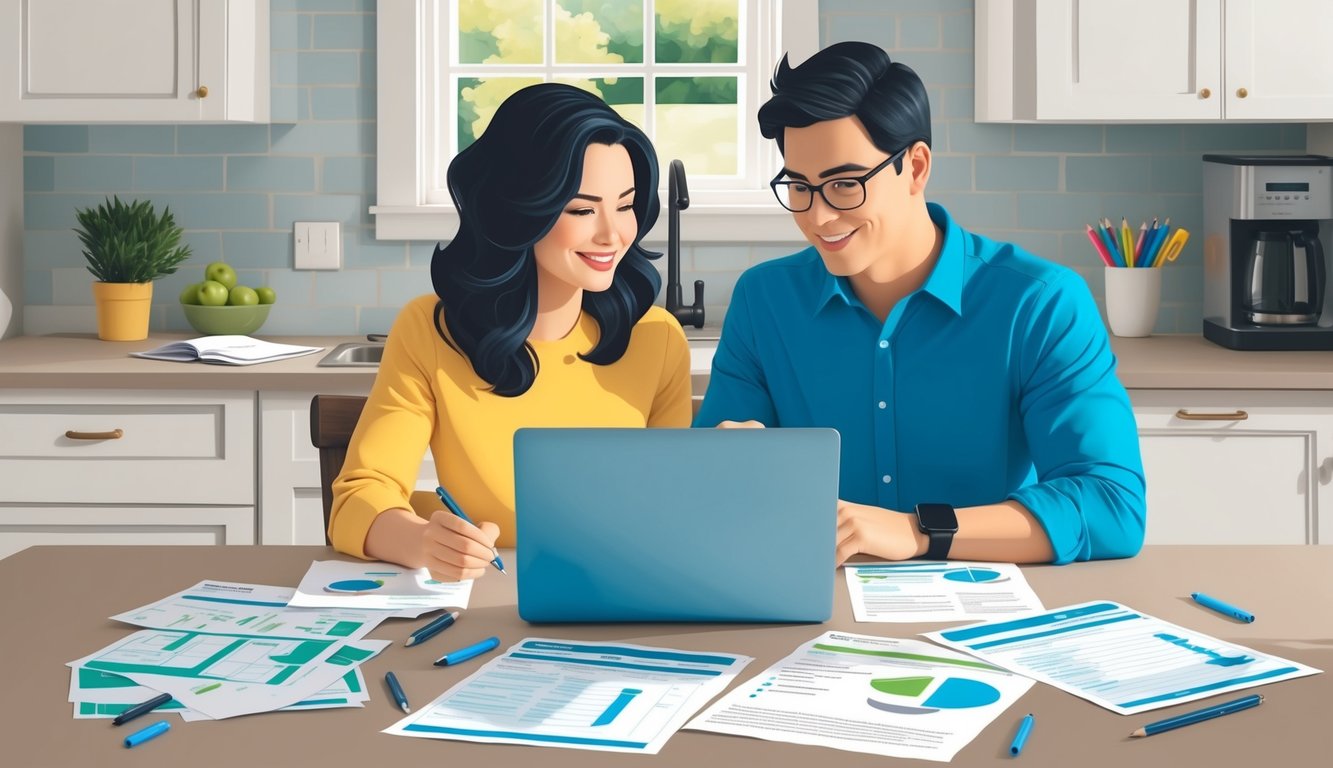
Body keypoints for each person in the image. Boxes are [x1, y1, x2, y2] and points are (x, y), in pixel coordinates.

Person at [695, 42, 1145, 566]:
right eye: (799, 186)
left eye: (845, 184)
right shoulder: (763, 301)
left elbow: (1112, 507)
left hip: (985, 606)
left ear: (915, 166)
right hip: (811, 604)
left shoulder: (1039, 304)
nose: (817, 217)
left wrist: (916, 531)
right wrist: (724, 467)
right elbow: (712, 503)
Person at [330, 83, 692, 580]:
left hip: (618, 592)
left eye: (625, 205)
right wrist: (422, 542)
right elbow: (359, 496)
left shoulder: (658, 337)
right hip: (486, 599)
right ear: (522, 209)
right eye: (582, 210)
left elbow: (670, 506)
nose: (613, 234)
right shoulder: (431, 330)